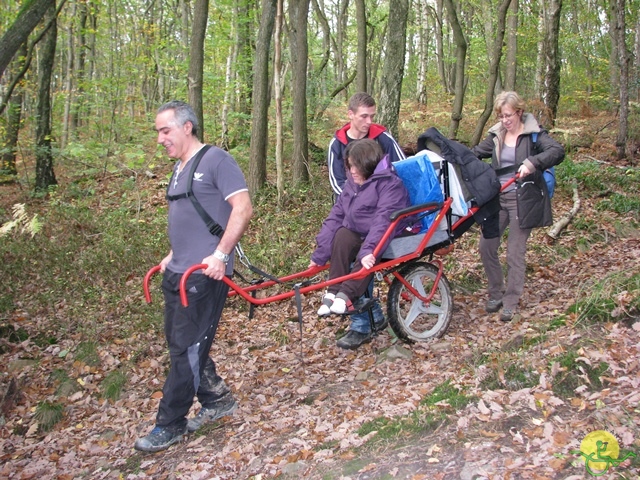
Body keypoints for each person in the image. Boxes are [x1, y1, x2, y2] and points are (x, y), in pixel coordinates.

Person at [135, 101, 253, 452]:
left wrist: (220, 255)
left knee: (186, 349)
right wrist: (173, 254)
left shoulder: (217, 160)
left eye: (165, 130)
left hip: (203, 276)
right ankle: (217, 400)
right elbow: (190, 215)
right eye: (158, 131)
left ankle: (169, 424)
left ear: (187, 127)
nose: (160, 139)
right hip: (177, 272)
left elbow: (242, 208)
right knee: (181, 345)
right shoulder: (179, 167)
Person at [471, 91, 564, 322]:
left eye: (509, 115)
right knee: (486, 247)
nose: (505, 120)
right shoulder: (496, 135)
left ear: (519, 112)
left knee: (514, 253)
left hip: (523, 202)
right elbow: (474, 154)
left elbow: (557, 151)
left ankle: (511, 301)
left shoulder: (534, 135)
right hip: (498, 200)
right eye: (501, 116)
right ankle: (496, 293)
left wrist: (533, 162)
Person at [311, 139, 411, 349]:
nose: (352, 171)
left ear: (368, 164)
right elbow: (336, 215)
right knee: (342, 234)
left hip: (384, 234)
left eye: (356, 166)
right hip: (360, 233)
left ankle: (346, 295)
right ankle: (333, 290)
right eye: (349, 166)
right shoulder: (352, 183)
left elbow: (382, 222)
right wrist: (319, 255)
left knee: (363, 257)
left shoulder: (390, 185)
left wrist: (368, 250)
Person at [326, 92, 406, 346]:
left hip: (381, 212)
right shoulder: (337, 144)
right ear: (350, 115)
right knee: (343, 247)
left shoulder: (382, 138)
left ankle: (361, 324)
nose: (369, 121)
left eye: (372, 116)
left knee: (365, 255)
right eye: (364, 116)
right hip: (350, 213)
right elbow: (337, 182)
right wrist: (357, 203)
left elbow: (402, 168)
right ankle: (370, 315)